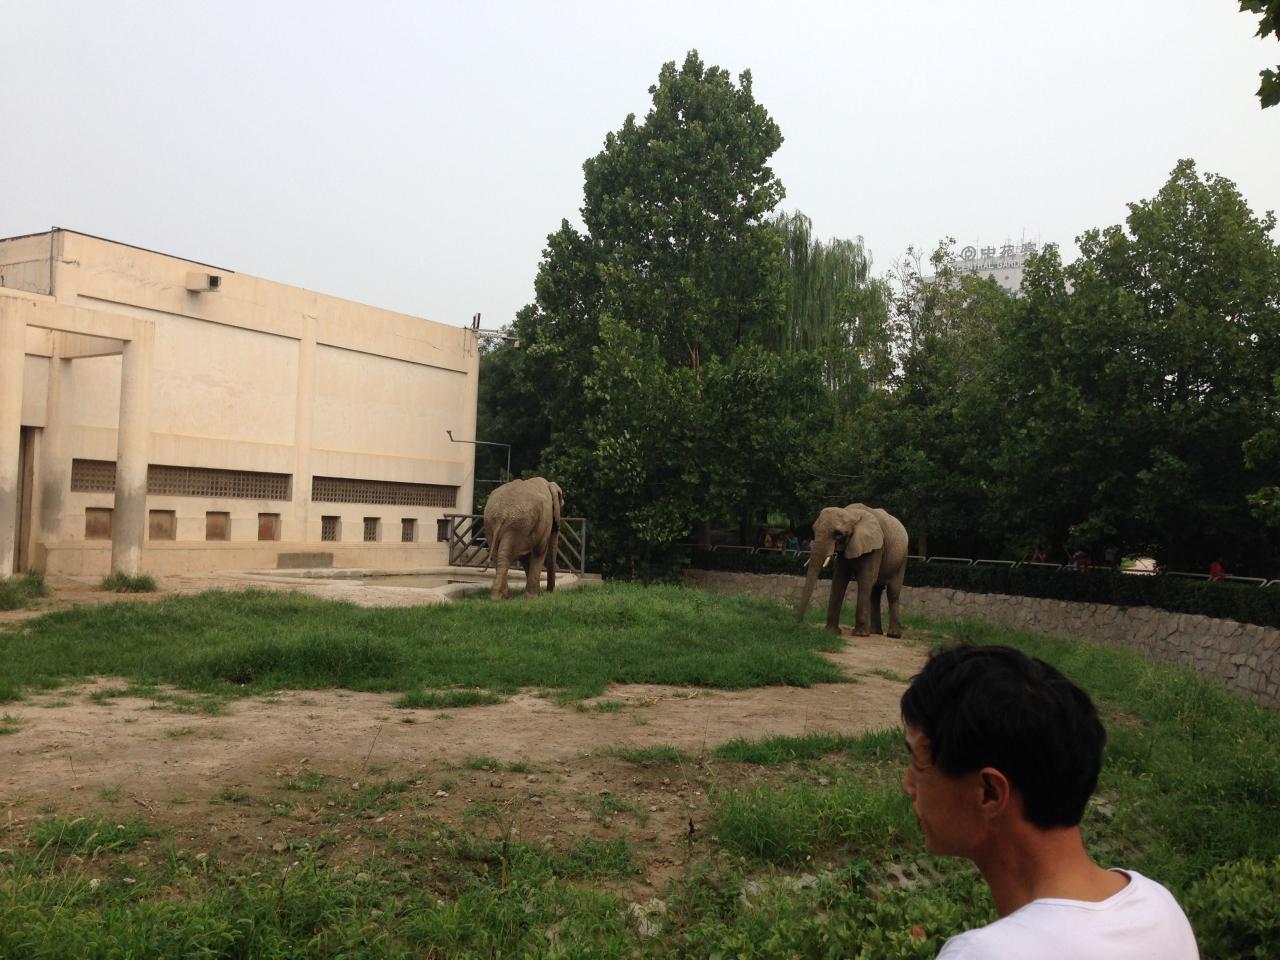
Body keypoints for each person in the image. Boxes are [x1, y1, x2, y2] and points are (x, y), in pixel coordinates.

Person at [900, 645, 1199, 958]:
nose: (908, 784)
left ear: (989, 792)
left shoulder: (983, 953)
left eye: (918, 762)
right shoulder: (1159, 906)